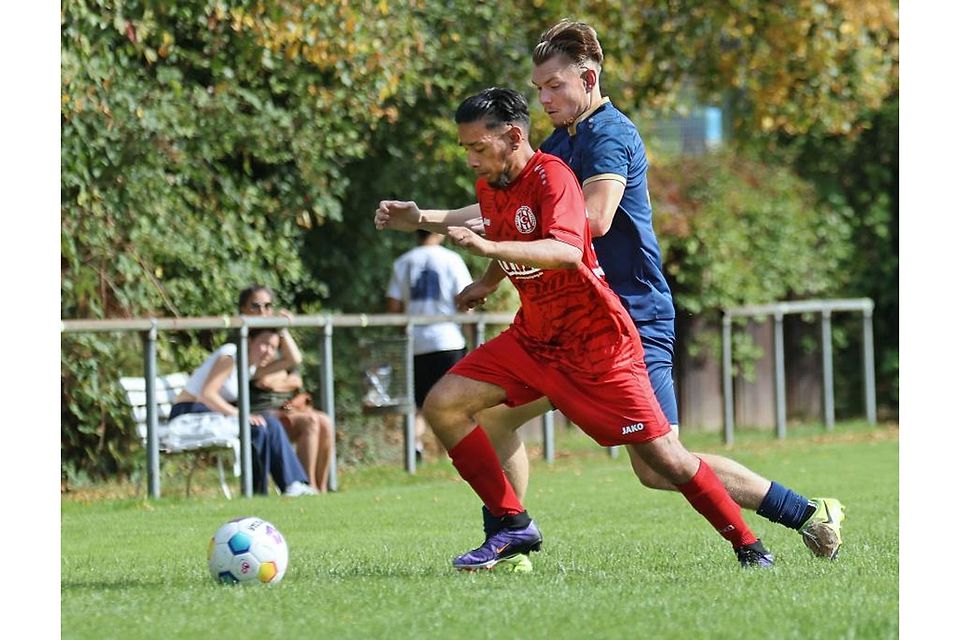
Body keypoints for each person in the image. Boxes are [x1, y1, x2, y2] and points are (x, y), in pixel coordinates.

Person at [375, 21, 845, 568]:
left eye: (553, 86)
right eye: (538, 88)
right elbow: (515, 213)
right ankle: (510, 539)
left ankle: (805, 512)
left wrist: (497, 247)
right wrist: (434, 226)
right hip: (558, 329)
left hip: (628, 320)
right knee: (493, 418)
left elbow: (588, 224)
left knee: (657, 465)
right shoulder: (557, 142)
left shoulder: (609, 137)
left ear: (588, 78)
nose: (543, 98)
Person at [170, 326, 317, 496]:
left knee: (271, 424)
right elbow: (206, 395)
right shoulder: (231, 355)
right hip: (190, 412)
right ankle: (257, 493)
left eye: (273, 347)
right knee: (257, 429)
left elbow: (293, 360)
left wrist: (282, 328)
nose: (268, 352)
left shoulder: (251, 368)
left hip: (214, 414)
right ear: (249, 341)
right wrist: (242, 416)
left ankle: (293, 485)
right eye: (264, 344)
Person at [386, 230, 475, 462]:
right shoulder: (452, 259)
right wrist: (472, 336)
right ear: (439, 233)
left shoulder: (403, 262)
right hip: (448, 339)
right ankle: (449, 455)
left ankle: (413, 448)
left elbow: (394, 306)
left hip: (415, 343)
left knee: (417, 404)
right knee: (449, 404)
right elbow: (467, 300)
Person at [238, 285, 335, 493]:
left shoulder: (274, 333)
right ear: (243, 309)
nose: (262, 312)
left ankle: (321, 488)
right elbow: (254, 376)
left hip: (283, 408)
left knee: (324, 421)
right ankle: (304, 486)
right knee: (310, 421)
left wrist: (282, 329)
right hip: (259, 412)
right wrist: (276, 376)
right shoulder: (241, 338)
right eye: (255, 306)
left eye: (267, 306)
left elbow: (295, 374)